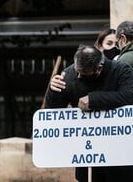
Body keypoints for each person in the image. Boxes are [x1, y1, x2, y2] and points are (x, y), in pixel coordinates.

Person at [45, 45, 133, 181]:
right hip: (87, 154)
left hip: (119, 154)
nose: (78, 76)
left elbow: (129, 96)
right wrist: (52, 90)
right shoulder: (69, 74)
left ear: (99, 68)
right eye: (77, 71)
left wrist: (94, 99)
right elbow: (53, 112)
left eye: (83, 74)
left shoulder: (120, 70)